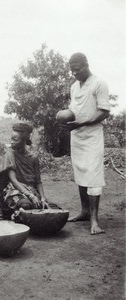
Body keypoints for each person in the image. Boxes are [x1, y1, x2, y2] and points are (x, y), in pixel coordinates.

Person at [57, 52, 110, 235]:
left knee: (93, 175)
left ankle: (95, 220)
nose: (74, 73)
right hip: (77, 136)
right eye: (72, 70)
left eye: (77, 69)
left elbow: (104, 112)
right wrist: (66, 118)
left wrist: (83, 122)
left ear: (86, 64)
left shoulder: (99, 83)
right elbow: (74, 109)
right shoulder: (74, 87)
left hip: (92, 135)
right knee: (80, 172)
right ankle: (85, 212)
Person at [0, 123, 53, 220]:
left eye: (15, 140)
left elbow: (38, 182)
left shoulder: (33, 158)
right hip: (13, 190)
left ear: (24, 140)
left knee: (48, 206)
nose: (11, 142)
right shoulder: (10, 155)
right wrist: (31, 196)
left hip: (30, 190)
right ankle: (12, 214)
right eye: (11, 139)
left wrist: (43, 198)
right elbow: (13, 180)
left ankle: (18, 214)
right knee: (26, 205)